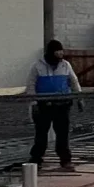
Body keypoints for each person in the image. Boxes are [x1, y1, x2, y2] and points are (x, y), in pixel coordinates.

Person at [28, 38, 80, 171]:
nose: (60, 56)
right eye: (57, 53)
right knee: (41, 133)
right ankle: (36, 159)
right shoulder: (38, 66)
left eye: (61, 53)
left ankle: (65, 159)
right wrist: (34, 103)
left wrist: (79, 98)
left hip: (63, 105)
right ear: (51, 53)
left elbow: (74, 82)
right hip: (44, 105)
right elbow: (31, 85)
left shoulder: (65, 65)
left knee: (62, 134)